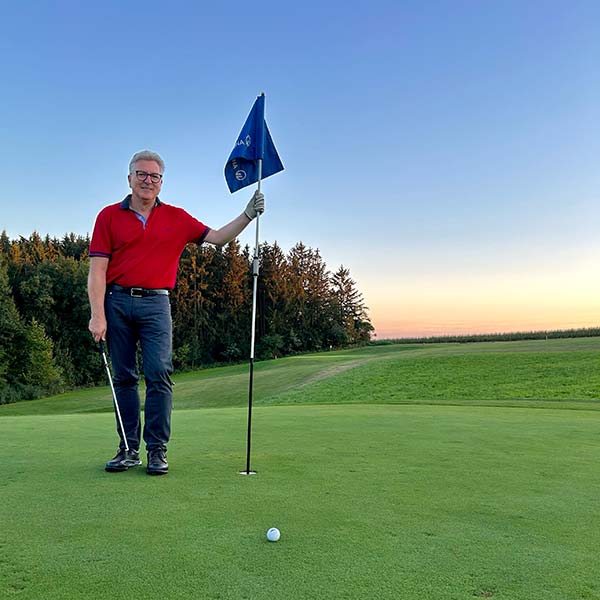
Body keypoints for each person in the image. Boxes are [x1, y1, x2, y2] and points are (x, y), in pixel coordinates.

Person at [88, 150, 264, 475]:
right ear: (129, 178)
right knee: (124, 378)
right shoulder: (108, 216)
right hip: (116, 301)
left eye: (154, 176)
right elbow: (97, 270)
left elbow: (218, 238)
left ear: (161, 182)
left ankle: (156, 450)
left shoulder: (177, 217)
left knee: (159, 374)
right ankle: (128, 449)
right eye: (141, 174)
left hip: (157, 304)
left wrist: (247, 215)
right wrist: (97, 314)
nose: (147, 180)